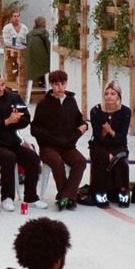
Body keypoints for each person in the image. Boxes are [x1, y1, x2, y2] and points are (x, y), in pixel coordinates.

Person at [0, 72, 47, 211]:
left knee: (33, 157)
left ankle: (31, 197)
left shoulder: (14, 98)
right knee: (9, 157)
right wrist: (6, 122)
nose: (1, 88)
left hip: (14, 142)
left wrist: (16, 121)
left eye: (2, 84)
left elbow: (26, 118)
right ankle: (7, 198)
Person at [30, 69, 88, 211]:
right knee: (56, 162)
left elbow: (79, 121)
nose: (60, 87)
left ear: (66, 83)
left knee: (80, 161)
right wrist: (53, 140)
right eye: (56, 84)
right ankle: (65, 197)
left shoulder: (71, 101)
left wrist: (84, 127)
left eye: (62, 83)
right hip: (48, 147)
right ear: (51, 85)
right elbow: (35, 129)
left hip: (68, 146)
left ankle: (66, 196)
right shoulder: (44, 104)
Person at [88, 80, 131, 208]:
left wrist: (111, 132)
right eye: (106, 93)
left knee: (120, 158)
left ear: (118, 95)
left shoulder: (125, 112)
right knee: (104, 157)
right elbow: (97, 136)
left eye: (113, 93)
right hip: (100, 145)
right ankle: (101, 191)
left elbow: (122, 137)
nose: (109, 96)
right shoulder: (96, 111)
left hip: (119, 145)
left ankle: (123, 190)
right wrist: (104, 131)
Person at [25, 15, 51, 89]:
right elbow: (48, 47)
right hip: (41, 63)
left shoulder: (30, 34)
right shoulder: (43, 32)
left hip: (30, 62)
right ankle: (45, 83)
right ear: (43, 23)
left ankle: (41, 81)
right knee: (49, 64)